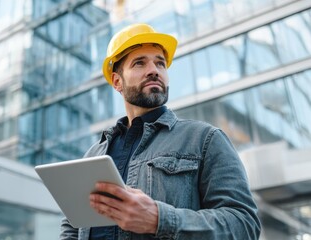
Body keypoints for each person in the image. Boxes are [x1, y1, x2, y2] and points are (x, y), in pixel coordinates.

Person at [60, 23, 261, 239]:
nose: (154, 71)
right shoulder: (93, 154)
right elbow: (72, 227)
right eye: (139, 63)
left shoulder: (205, 139)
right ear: (117, 82)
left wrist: (159, 219)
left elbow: (244, 224)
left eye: (160, 63)